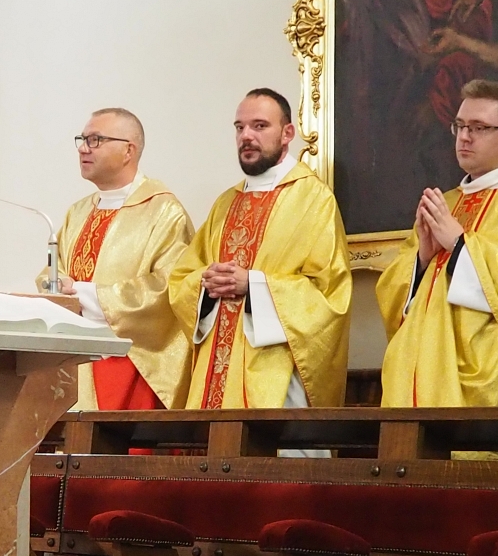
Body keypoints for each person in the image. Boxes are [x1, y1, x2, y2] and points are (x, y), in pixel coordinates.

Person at [378, 79, 498, 407]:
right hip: (422, 363)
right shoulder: (446, 201)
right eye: (460, 126)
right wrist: (422, 259)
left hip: (492, 365)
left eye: (479, 128)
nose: (465, 137)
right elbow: (393, 291)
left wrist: (458, 244)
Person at [168, 88, 352, 409]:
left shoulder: (313, 198)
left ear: (287, 133)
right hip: (214, 372)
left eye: (260, 126)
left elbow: (329, 294)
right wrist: (206, 283)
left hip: (275, 374)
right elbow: (182, 278)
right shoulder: (225, 203)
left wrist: (252, 285)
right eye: (239, 128)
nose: (246, 136)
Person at [43, 108, 193, 409]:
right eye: (83, 139)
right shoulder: (79, 211)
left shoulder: (164, 211)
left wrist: (85, 295)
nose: (84, 148)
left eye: (96, 140)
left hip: (130, 366)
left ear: (128, 150)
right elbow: (52, 270)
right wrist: (55, 284)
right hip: (75, 362)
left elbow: (171, 286)